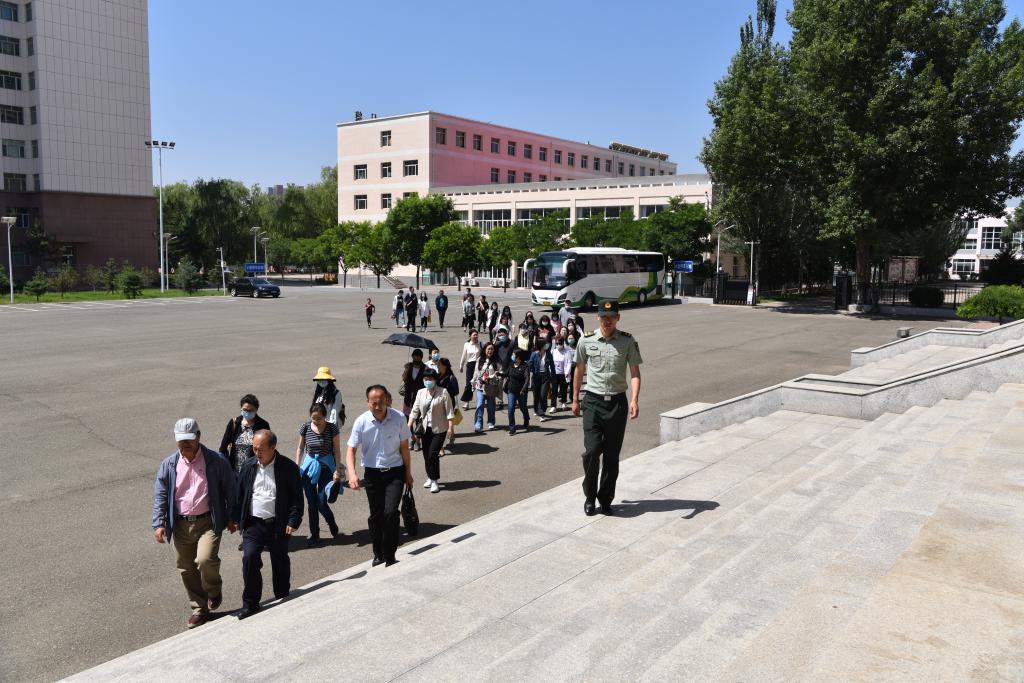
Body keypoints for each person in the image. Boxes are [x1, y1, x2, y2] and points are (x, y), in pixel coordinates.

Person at [152, 418, 236, 629]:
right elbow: (160, 495)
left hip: (208, 521)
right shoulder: (169, 464)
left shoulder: (215, 461)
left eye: (189, 439)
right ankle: (199, 609)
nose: (185, 444)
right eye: (181, 440)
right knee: (186, 568)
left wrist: (232, 517)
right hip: (180, 525)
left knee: (205, 560)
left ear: (198, 437)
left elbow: (231, 490)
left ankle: (214, 591)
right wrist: (159, 523)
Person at [572, 300, 643, 516]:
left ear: (618, 318)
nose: (607, 320)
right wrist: (575, 398)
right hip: (592, 403)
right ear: (598, 317)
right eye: (603, 316)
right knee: (592, 451)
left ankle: (605, 499)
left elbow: (635, 374)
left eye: (611, 317)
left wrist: (634, 400)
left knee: (611, 456)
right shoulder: (586, 340)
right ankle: (590, 496)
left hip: (617, 404)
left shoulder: (627, 341)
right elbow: (579, 370)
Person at [233, 429, 302, 619]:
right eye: (254, 448)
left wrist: (293, 519)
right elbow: (240, 494)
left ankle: (282, 593)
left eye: (261, 449)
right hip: (253, 524)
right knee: (250, 558)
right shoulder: (248, 466)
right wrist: (236, 518)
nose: (257, 452)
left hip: (278, 524)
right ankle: (250, 603)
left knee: (280, 560)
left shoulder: (288, 467)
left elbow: (297, 497)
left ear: (273, 447)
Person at [344, 385, 413, 567]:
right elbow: (351, 450)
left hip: (395, 472)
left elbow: (404, 448)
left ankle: (390, 555)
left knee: (390, 513)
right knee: (376, 516)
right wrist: (352, 474)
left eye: (381, 402)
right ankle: (378, 553)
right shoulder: (361, 422)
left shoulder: (398, 418)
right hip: (373, 475)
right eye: (373, 403)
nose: (377, 406)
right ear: (367, 403)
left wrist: (408, 473)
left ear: (387, 401)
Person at [295, 403, 342, 546]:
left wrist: (337, 470)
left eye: (319, 419)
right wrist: (297, 466)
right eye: (313, 418)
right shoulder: (305, 427)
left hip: (326, 467)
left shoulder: (332, 428)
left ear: (325, 417)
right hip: (309, 467)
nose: (316, 421)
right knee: (311, 504)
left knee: (321, 502)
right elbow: (300, 448)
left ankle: (331, 522)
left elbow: (337, 450)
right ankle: (314, 535)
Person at [409, 367, 454, 493]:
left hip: (439, 429)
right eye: (425, 379)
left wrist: (451, 427)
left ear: (435, 379)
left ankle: (434, 480)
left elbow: (449, 412)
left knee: (432, 454)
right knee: (426, 455)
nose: (427, 381)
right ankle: (430, 477)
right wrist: (409, 425)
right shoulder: (420, 392)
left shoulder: (443, 392)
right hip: (425, 429)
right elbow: (415, 410)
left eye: (430, 379)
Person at [218, 394, 270, 477]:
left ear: (256, 410)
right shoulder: (234, 423)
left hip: (254, 473)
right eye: (245, 409)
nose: (247, 412)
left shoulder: (263, 425)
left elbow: (267, 448)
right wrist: (226, 465)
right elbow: (223, 448)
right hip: (234, 473)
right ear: (241, 408)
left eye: (251, 410)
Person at [501, 349, 531, 435]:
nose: (512, 356)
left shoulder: (525, 366)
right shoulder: (511, 365)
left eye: (514, 355)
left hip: (521, 391)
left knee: (523, 407)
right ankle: (512, 428)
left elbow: (527, 379)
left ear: (518, 357)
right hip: (511, 390)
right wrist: (498, 374)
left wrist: (523, 390)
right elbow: (506, 374)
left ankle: (526, 418)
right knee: (510, 409)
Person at [472, 342, 501, 432]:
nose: (490, 351)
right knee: (480, 405)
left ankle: (491, 422)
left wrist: (494, 377)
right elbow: (476, 372)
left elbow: (500, 373)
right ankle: (478, 424)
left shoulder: (497, 360)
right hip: (480, 386)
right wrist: (473, 382)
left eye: (492, 349)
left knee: (491, 406)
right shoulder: (480, 359)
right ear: (484, 350)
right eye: (488, 349)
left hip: (491, 387)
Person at [401, 349, 427, 449]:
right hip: (408, 398)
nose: (416, 358)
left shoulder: (425, 368)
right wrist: (406, 371)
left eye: (418, 356)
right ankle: (413, 439)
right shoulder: (408, 367)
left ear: (421, 357)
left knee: (419, 419)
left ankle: (418, 440)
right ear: (412, 356)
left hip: (420, 397)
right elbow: (404, 379)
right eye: (415, 356)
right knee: (408, 419)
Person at [435, 357, 460, 455]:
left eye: (439, 365)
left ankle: (442, 446)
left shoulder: (451, 377)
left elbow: (456, 391)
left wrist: (446, 392)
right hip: (438, 403)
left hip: (448, 403)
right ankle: (451, 438)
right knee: (444, 423)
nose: (437, 366)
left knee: (445, 423)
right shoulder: (437, 376)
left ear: (445, 366)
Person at [528, 335, 556, 421]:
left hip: (546, 376)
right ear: (541, 345)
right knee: (536, 395)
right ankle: (537, 409)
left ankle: (542, 412)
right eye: (545, 343)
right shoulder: (534, 354)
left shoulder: (548, 354)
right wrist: (532, 372)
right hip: (536, 376)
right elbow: (530, 365)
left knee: (543, 395)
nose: (547, 345)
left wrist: (553, 377)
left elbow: (552, 366)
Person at [311, 366, 345, 434]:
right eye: (319, 380)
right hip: (318, 426)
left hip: (329, 428)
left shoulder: (336, 393)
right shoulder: (318, 392)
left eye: (323, 379)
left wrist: (330, 429)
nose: (321, 382)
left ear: (329, 380)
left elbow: (334, 412)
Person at [458, 330, 482, 409]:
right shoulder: (467, 344)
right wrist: (461, 365)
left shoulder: (480, 344)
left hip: (479, 365)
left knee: (480, 383)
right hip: (470, 365)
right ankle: (466, 402)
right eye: (474, 335)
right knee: (469, 384)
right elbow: (463, 355)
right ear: (470, 336)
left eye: (476, 335)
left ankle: (481, 400)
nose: (475, 336)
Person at [551, 335, 573, 410]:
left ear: (563, 343)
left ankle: (564, 402)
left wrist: (567, 372)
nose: (558, 345)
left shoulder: (567, 352)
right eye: (557, 344)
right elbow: (551, 362)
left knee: (563, 389)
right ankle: (553, 406)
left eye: (559, 343)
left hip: (564, 373)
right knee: (554, 390)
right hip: (555, 373)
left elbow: (569, 362)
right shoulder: (553, 351)